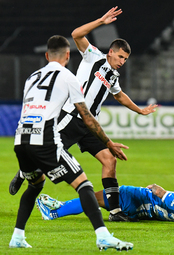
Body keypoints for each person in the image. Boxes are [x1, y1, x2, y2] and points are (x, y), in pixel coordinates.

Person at [9, 7, 157, 222]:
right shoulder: (93, 57)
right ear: (111, 52)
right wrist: (101, 21)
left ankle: (115, 211)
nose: (122, 61)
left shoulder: (113, 76)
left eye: (125, 59)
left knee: (109, 161)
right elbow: (77, 34)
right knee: (47, 156)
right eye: (121, 56)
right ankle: (24, 172)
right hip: (71, 118)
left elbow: (120, 96)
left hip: (90, 125)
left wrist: (140, 110)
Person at [9, 35, 132, 251]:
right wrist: (109, 141)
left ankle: (17, 237)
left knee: (35, 185)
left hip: (21, 138)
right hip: (47, 138)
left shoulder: (31, 77)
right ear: (68, 55)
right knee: (84, 184)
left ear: (46, 56)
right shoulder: (69, 77)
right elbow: (86, 116)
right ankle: (102, 236)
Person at [34, 184, 174, 225]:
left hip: (137, 197)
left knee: (94, 197)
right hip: (143, 211)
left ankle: (55, 212)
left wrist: (156, 187)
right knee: (99, 201)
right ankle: (60, 206)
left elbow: (161, 194)